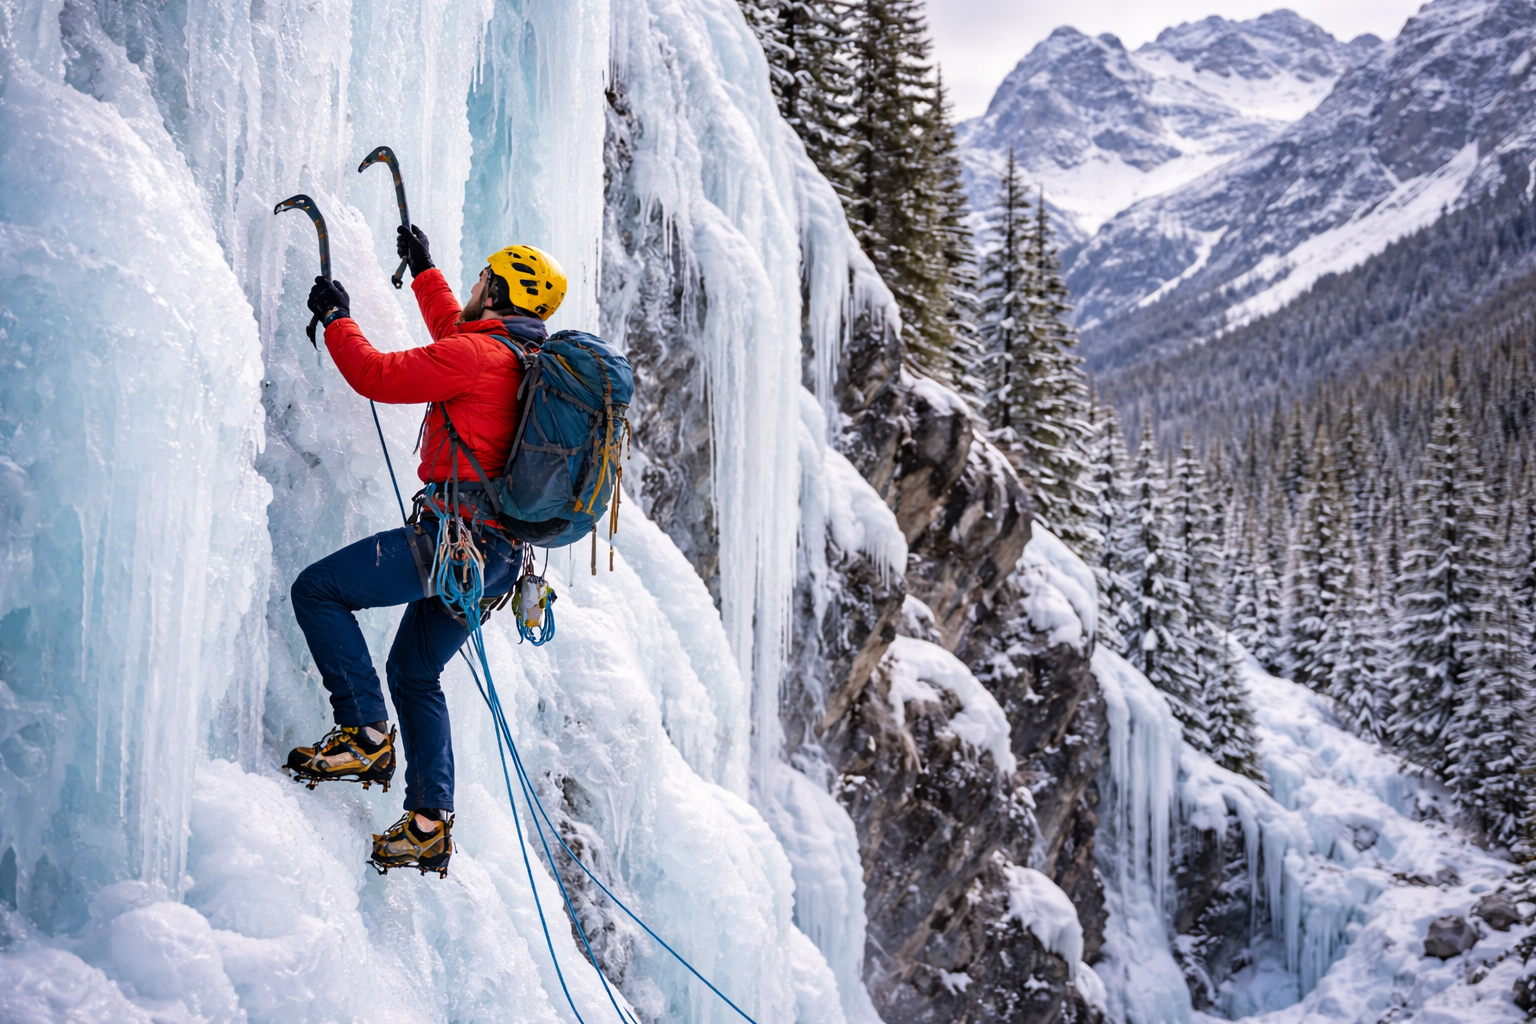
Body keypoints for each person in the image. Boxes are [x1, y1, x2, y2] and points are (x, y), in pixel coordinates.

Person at [285, 225, 566, 877]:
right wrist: (425, 271)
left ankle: (363, 735)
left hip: (450, 542)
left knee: (318, 591)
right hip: (496, 562)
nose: (472, 286)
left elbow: (376, 374)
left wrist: (336, 319)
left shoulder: (476, 358)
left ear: (496, 291)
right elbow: (454, 332)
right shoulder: (517, 359)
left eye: (480, 279)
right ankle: (428, 825)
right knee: (415, 673)